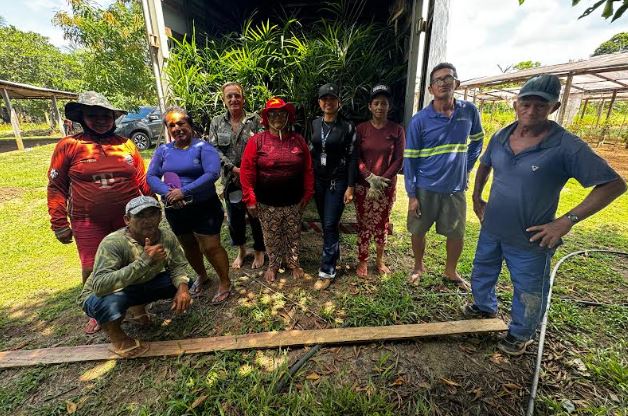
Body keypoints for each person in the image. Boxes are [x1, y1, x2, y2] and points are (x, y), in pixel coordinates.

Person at [462, 74, 626, 356]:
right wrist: (477, 198)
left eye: (540, 105)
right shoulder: (502, 135)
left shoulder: (566, 146)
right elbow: (485, 164)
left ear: (554, 106)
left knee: (528, 287)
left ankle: (520, 333)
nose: (531, 110)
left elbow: (614, 184)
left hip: (532, 237)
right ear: (516, 104)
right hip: (493, 227)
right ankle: (483, 305)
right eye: (526, 103)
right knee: (483, 270)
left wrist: (566, 221)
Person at [47, 91, 151, 334]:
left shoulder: (125, 145)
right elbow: (56, 186)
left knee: (134, 260)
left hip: (128, 219)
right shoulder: (69, 146)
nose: (101, 119)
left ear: (113, 118)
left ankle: (137, 308)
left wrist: (153, 205)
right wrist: (59, 222)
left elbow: (141, 180)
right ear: (82, 117)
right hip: (88, 221)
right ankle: (96, 310)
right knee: (92, 267)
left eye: (106, 115)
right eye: (93, 115)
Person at [404, 63, 484, 289]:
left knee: (456, 233)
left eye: (448, 78)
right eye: (438, 80)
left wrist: (466, 167)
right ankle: (418, 266)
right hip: (425, 187)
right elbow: (410, 158)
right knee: (418, 230)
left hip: (455, 188)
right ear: (430, 88)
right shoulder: (419, 120)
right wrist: (411, 194)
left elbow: (478, 140)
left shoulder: (469, 112)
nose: (443, 83)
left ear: (456, 83)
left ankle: (451, 271)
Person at [79, 196, 191, 357]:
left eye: (153, 214)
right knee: (108, 303)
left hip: (139, 284)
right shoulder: (113, 243)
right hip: (99, 294)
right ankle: (117, 337)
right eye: (140, 216)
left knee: (183, 283)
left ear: (160, 216)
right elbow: (100, 285)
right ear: (127, 220)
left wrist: (182, 289)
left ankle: (136, 308)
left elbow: (178, 265)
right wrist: (144, 261)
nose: (148, 220)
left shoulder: (166, 237)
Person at [146, 107, 231, 304]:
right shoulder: (163, 151)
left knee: (210, 246)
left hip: (204, 207)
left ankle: (225, 281)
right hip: (175, 209)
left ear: (189, 125)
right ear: (168, 129)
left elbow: (212, 174)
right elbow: (151, 176)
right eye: (172, 125)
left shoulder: (203, 147)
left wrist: (184, 191)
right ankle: (202, 275)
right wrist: (168, 193)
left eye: (181, 123)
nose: (177, 128)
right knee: (188, 245)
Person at [240, 97, 314, 283]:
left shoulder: (298, 140)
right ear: (267, 118)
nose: (277, 117)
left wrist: (307, 193)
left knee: (293, 233)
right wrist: (250, 198)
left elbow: (308, 169)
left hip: (294, 200)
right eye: (273, 114)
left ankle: (294, 263)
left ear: (288, 117)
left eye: (282, 113)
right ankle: (273, 264)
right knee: (271, 235)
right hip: (267, 202)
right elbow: (247, 171)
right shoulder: (257, 141)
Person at [209, 82, 265, 269]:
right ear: (224, 100)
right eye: (229, 96)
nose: (233, 99)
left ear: (243, 98)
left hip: (253, 179)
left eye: (237, 95)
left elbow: (263, 146)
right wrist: (233, 168)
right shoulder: (217, 122)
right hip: (231, 180)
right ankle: (242, 250)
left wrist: (248, 170)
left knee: (255, 214)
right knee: (235, 218)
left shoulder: (254, 120)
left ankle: (259, 249)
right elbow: (214, 149)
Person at [310, 83, 358, 290]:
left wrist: (350, 186)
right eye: (324, 99)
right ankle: (334, 253)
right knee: (326, 222)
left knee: (330, 224)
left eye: (332, 99)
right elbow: (310, 152)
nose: (328, 102)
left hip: (336, 182)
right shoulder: (313, 124)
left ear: (339, 102)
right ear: (319, 103)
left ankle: (327, 269)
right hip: (318, 181)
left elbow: (352, 157)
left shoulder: (347, 126)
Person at [354, 84, 405, 277]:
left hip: (386, 186)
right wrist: (369, 177)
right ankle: (362, 261)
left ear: (388, 106)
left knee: (382, 222)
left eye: (383, 103)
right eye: (376, 103)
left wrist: (382, 180)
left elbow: (399, 159)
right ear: (370, 106)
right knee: (364, 223)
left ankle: (380, 260)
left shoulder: (397, 130)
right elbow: (355, 157)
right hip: (364, 186)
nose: (379, 107)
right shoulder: (361, 129)